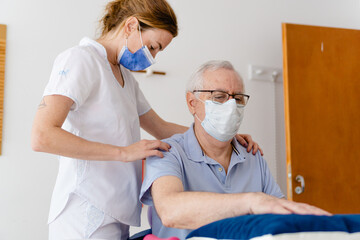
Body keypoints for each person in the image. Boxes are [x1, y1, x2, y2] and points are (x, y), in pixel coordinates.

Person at [31, 1, 262, 239]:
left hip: (116, 211)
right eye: (152, 47)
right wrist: (124, 152)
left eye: (158, 51)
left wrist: (222, 136)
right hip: (84, 209)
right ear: (131, 25)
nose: (152, 57)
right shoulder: (81, 60)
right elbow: (42, 136)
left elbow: (160, 127)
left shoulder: (125, 79)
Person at [139, 60, 331, 240]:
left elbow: (278, 213)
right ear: (192, 103)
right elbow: (170, 211)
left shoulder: (252, 156)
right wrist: (250, 202)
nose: (231, 106)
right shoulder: (167, 152)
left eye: (238, 98)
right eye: (219, 97)